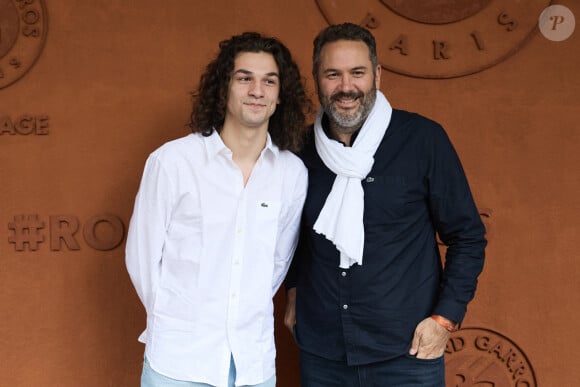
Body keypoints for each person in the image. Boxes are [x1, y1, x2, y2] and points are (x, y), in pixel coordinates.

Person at [284, 23, 487, 386]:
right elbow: (293, 233)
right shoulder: (299, 150)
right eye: (333, 74)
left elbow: (467, 236)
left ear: (377, 74)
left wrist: (444, 317)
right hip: (323, 352)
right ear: (317, 78)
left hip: (406, 352)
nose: (346, 87)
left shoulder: (423, 140)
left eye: (357, 72)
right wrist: (294, 288)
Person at [125, 31, 311, 387]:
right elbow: (142, 258)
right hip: (177, 363)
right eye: (245, 78)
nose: (257, 90)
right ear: (223, 87)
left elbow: (276, 264)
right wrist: (176, 320)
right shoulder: (173, 162)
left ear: (279, 95)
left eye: (269, 81)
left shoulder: (291, 173)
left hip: (252, 364)